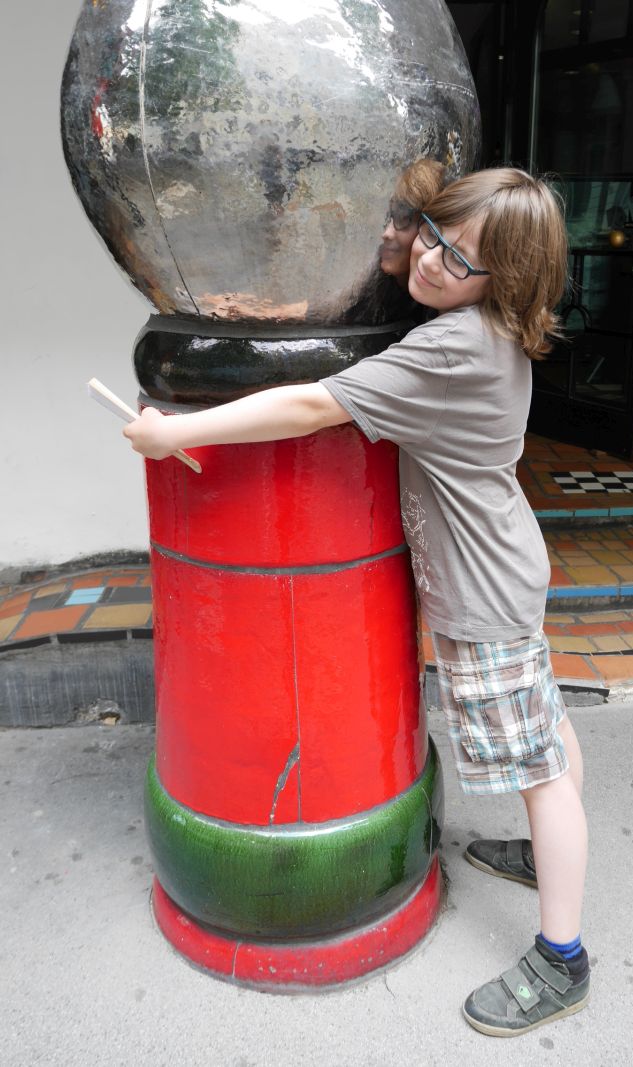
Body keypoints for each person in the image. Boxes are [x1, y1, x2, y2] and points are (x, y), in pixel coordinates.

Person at [123, 167, 590, 1039]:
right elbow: (415, 274)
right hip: (506, 564)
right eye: (434, 233)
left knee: (535, 767)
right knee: (544, 732)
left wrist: (174, 431)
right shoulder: (482, 326)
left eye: (461, 256)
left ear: (507, 280)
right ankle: (545, 850)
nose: (432, 258)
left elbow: (309, 402)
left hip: (482, 591)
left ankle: (562, 956)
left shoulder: (452, 350)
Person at [379, 158, 446, 285]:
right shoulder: (373, 278)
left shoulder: (436, 299)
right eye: (388, 217)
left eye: (403, 218)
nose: (386, 234)